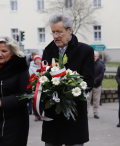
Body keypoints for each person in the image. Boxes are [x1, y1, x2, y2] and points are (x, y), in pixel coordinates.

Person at [42, 13, 94, 146]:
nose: (55, 36)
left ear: (69, 30)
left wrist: (67, 91)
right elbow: (43, 78)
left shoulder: (85, 51)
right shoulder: (48, 50)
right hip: (53, 114)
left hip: (74, 112)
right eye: (53, 32)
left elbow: (88, 81)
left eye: (59, 32)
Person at [87, 51, 104, 119]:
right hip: (89, 86)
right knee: (87, 100)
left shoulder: (100, 65)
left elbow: (101, 75)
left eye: (95, 56)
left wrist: (95, 80)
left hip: (97, 85)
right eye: (92, 56)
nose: (93, 57)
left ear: (98, 57)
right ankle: (86, 113)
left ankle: (96, 113)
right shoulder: (88, 64)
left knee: (96, 100)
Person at [29, 55, 44, 121]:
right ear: (34, 61)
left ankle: (40, 114)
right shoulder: (31, 67)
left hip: (42, 86)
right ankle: (36, 115)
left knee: (41, 101)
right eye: (36, 60)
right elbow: (31, 75)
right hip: (35, 86)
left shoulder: (43, 67)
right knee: (35, 101)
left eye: (39, 60)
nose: (38, 61)